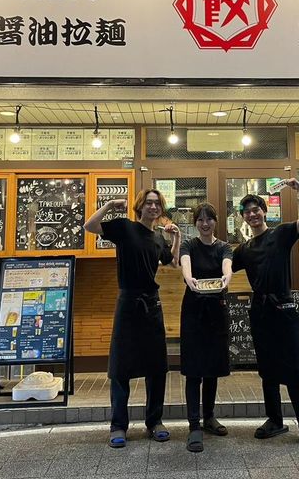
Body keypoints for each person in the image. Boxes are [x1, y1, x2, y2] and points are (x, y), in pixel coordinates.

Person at [84, 189, 180, 448]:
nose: (153, 207)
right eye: (148, 203)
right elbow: (89, 226)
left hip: (152, 304)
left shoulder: (158, 237)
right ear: (140, 206)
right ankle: (118, 425)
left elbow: (172, 262)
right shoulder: (125, 228)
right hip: (128, 302)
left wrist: (177, 237)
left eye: (157, 203)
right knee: (120, 367)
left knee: (157, 366)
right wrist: (109, 204)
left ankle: (155, 421)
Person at [231, 178, 299, 448]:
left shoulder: (281, 233)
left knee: (295, 369)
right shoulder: (244, 249)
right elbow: (221, 265)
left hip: (284, 308)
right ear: (243, 218)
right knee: (267, 369)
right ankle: (275, 420)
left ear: (264, 211)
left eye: (256, 209)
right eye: (247, 212)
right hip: (260, 312)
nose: (252, 214)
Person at [178, 203, 233, 453]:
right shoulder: (189, 245)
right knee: (193, 369)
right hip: (193, 310)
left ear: (215, 221)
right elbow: (185, 264)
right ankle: (194, 426)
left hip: (216, 309)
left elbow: (227, 266)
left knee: (212, 367)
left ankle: (209, 417)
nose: (204, 223)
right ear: (195, 223)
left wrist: (226, 278)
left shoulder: (224, 247)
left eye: (208, 219)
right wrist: (188, 278)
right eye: (199, 219)